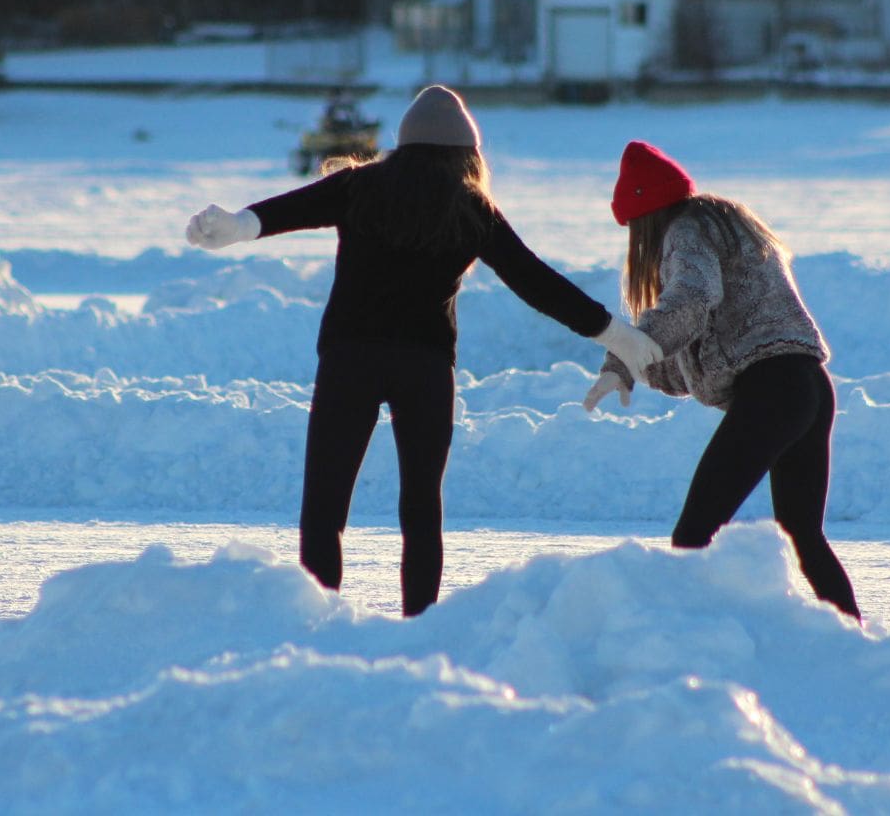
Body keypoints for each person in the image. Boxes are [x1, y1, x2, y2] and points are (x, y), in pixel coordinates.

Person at [186, 85, 660, 616]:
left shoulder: (360, 186)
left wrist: (235, 226)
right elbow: (535, 281)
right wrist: (614, 333)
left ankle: (316, 619)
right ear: (468, 154)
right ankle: (421, 624)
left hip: (350, 359)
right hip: (425, 369)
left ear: (403, 143)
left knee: (324, 503)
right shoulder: (470, 206)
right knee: (420, 508)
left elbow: (288, 210)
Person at [584, 140, 860, 620]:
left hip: (772, 393)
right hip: (809, 387)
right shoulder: (727, 226)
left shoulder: (685, 231)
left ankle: (687, 641)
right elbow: (694, 351)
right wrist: (633, 364)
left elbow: (691, 301)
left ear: (644, 216)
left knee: (693, 535)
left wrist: (624, 357)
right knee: (803, 534)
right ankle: (853, 639)